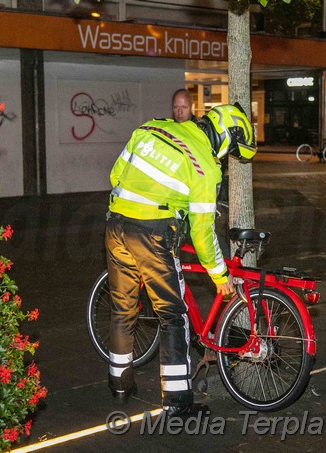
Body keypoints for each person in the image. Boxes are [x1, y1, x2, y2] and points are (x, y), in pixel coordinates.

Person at [105, 103, 256, 418]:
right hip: (153, 233)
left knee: (123, 309)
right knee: (174, 317)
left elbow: (116, 173)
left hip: (116, 225)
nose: (227, 159)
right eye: (231, 152)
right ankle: (177, 402)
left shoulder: (152, 126)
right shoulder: (205, 165)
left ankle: (120, 385)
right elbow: (202, 233)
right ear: (227, 137)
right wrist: (219, 276)